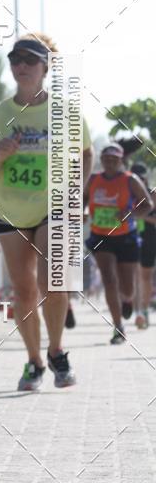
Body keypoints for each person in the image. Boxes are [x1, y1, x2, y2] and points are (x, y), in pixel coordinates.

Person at [0, 33, 94, 391]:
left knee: (53, 284)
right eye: (15, 59)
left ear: (45, 67)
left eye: (29, 60)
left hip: (52, 205)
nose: (21, 66)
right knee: (23, 290)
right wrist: (0, 156)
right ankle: (34, 361)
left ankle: (57, 352)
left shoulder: (65, 112)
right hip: (10, 209)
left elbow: (86, 153)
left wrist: (76, 192)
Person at [84, 146, 153, 343]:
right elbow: (81, 200)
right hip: (101, 235)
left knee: (127, 286)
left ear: (121, 160)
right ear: (102, 160)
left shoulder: (130, 180)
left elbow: (148, 204)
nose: (110, 162)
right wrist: (84, 212)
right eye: (106, 158)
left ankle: (128, 299)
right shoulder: (93, 180)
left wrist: (130, 214)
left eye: (114, 159)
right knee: (108, 279)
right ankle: (118, 327)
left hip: (126, 236)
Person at [130, 163, 156, 328]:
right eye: (135, 177)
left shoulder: (153, 194)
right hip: (129, 238)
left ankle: (144, 309)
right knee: (133, 276)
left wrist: (140, 217)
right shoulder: (126, 193)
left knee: (144, 276)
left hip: (149, 239)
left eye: (141, 177)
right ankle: (137, 310)